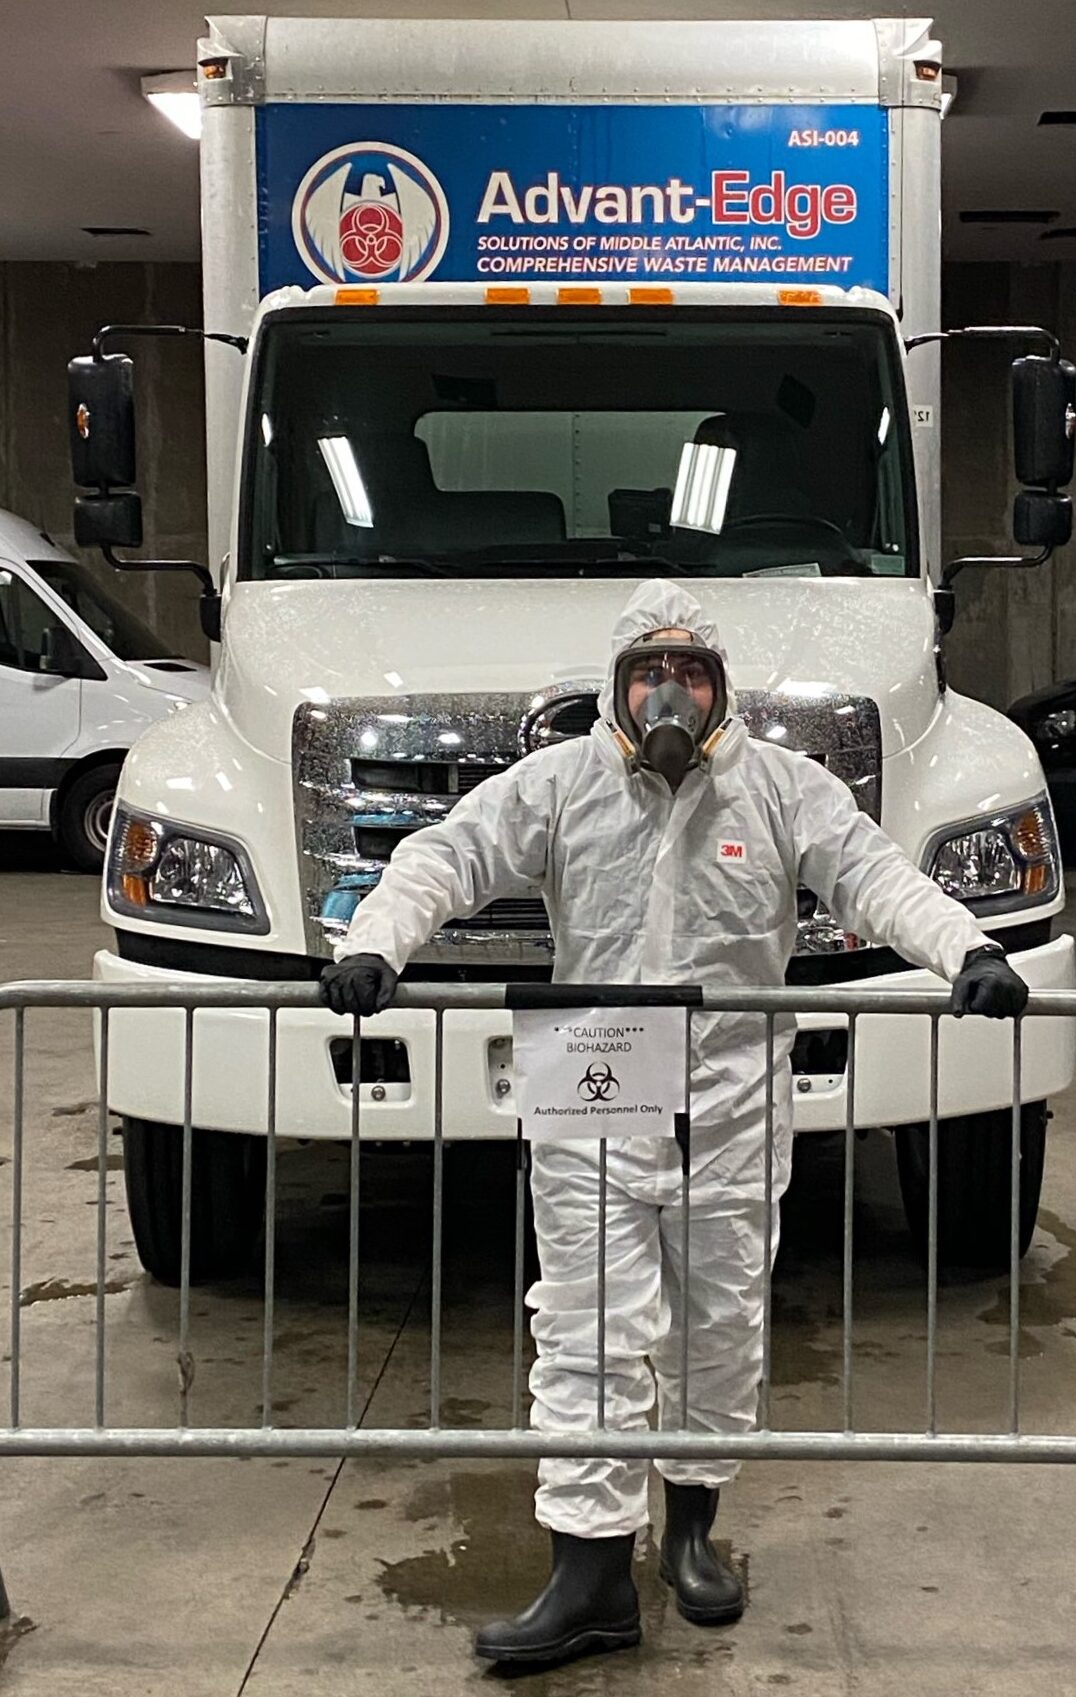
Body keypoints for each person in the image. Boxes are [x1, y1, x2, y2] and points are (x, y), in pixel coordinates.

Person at [320, 580, 1028, 1667]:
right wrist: (375, 941)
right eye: (648, 671)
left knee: (719, 1321)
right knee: (586, 1324)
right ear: (614, 686)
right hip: (591, 1097)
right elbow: (442, 854)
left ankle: (692, 1528)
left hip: (733, 1104)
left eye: (690, 672)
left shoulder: (784, 789)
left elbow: (878, 877)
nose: (668, 690)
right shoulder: (557, 785)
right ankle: (590, 1570)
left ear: (721, 687)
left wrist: (966, 949)